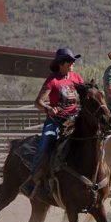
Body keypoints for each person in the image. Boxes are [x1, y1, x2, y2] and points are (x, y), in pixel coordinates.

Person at [20, 47, 84, 197]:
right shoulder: (52, 80)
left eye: (73, 61)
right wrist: (49, 108)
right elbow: (38, 102)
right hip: (56, 121)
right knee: (46, 142)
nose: (72, 63)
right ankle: (33, 179)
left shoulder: (76, 78)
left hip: (74, 119)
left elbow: (85, 94)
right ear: (61, 63)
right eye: (69, 61)